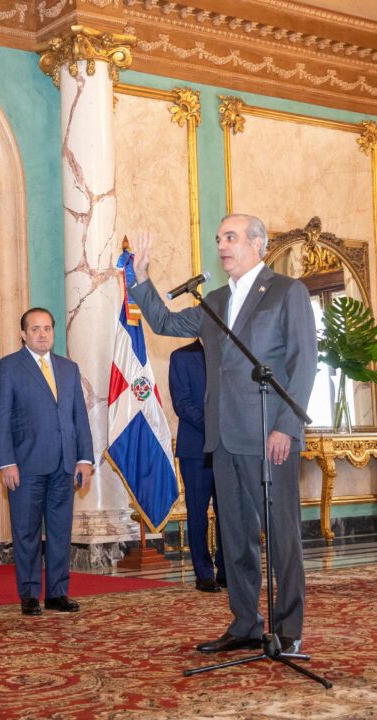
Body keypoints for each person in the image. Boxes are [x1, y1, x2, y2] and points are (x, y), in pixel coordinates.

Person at [130, 215, 317, 654]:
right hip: (223, 438)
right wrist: (141, 279)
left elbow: (304, 363)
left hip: (270, 435)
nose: (222, 246)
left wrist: (286, 426)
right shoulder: (214, 300)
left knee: (282, 536)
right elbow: (165, 323)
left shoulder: (286, 291)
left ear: (257, 243)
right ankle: (246, 623)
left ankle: (289, 629)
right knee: (235, 537)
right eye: (218, 239)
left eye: (230, 237)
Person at [0, 308, 94, 617]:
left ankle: (58, 593)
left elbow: (79, 418)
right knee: (27, 532)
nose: (42, 334)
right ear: (23, 334)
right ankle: (30, 594)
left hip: (64, 465)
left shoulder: (69, 369)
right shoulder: (7, 368)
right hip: (25, 466)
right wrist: (6, 462)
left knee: (60, 531)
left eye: (47, 328)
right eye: (35, 329)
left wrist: (84, 458)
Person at [169, 339, 226, 592]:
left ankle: (226, 570)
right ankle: (203, 573)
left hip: (228, 448)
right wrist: (214, 426)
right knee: (197, 512)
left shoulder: (230, 352)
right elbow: (182, 404)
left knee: (228, 513)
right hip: (196, 448)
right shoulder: (180, 356)